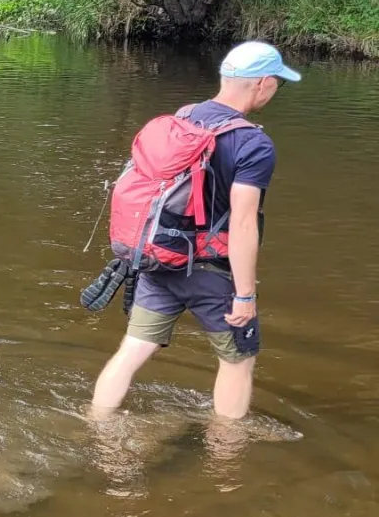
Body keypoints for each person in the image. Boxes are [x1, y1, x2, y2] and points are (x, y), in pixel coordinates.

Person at [91, 42, 297, 421]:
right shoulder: (254, 143)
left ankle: (97, 425)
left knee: (131, 351)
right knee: (237, 361)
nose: (275, 91)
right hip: (211, 271)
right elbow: (243, 222)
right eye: (278, 84)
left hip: (158, 259)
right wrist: (245, 296)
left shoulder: (183, 117)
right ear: (263, 84)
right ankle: (226, 458)